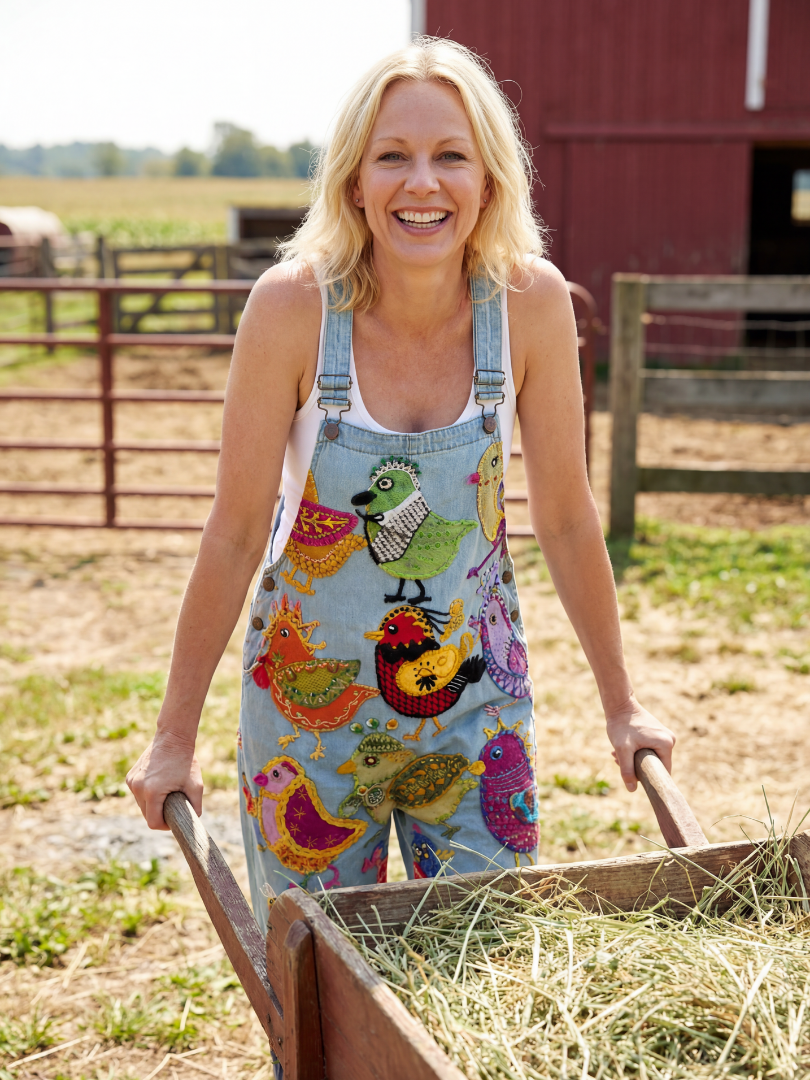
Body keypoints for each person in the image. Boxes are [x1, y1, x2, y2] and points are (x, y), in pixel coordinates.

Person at [128, 37, 675, 925]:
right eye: (393, 157)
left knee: (484, 964)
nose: (423, 183)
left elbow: (569, 519)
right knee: (318, 985)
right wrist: (171, 738)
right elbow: (234, 534)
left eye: (451, 155)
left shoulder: (528, 305)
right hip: (309, 722)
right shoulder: (292, 308)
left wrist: (625, 706)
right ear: (354, 181)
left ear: (489, 181)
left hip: (473, 710)